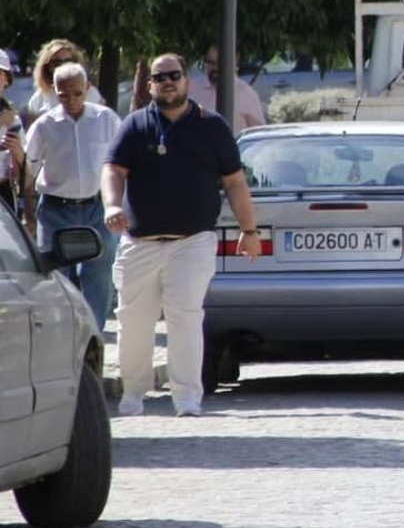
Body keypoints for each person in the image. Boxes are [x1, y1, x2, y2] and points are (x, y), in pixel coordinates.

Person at [102, 53, 262, 416]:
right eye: (160, 77)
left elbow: (235, 182)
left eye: (174, 75)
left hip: (193, 241)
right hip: (139, 242)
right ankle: (133, 393)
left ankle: (187, 397)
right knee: (133, 322)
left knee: (186, 317)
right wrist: (112, 205)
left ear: (187, 81)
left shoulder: (212, 126)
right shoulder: (134, 125)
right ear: (150, 85)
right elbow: (113, 169)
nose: (168, 81)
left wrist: (248, 230)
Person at [22, 62, 121, 327]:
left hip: (96, 207)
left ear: (87, 88)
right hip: (56, 210)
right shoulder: (44, 126)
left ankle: (93, 338)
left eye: (77, 93)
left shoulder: (106, 119)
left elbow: (122, 163)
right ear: (54, 91)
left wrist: (120, 204)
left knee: (98, 277)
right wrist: (29, 213)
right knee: (55, 279)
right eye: (63, 94)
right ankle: (60, 336)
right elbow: (28, 172)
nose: (71, 100)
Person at [188, 45, 267, 132]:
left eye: (221, 63)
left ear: (235, 66)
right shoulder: (192, 89)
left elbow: (257, 134)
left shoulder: (247, 94)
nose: (215, 68)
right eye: (211, 63)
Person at [25, 40, 105, 123]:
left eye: (68, 61)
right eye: (56, 63)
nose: (63, 66)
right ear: (47, 67)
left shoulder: (91, 93)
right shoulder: (38, 99)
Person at [0, 51, 25, 218]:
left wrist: (18, 154)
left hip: (4, 197)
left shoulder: (12, 119)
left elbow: (26, 177)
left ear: (7, 80)